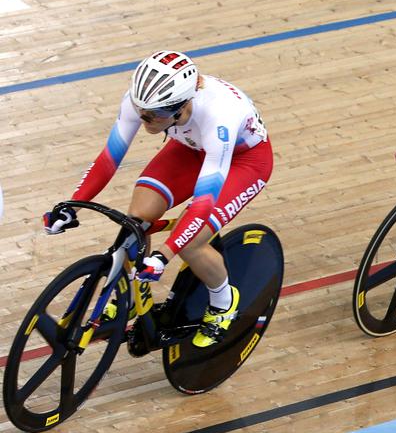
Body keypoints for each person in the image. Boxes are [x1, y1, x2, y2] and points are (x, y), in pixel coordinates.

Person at [44, 51, 272, 347]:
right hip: (189, 148)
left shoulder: (220, 117)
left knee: (191, 243)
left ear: (181, 107)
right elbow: (108, 159)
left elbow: (203, 203)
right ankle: (130, 299)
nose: (145, 120)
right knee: (135, 220)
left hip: (244, 161)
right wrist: (72, 205)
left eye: (154, 116)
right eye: (141, 112)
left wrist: (163, 255)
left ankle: (223, 303)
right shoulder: (144, 103)